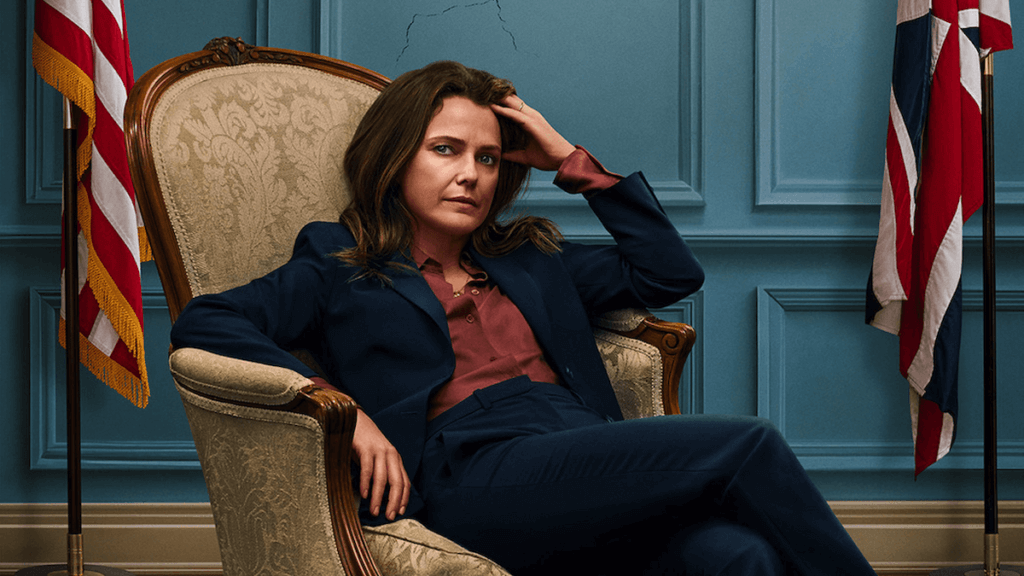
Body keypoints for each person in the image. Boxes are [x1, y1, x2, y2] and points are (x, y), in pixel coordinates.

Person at [171, 60, 875, 575]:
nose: (470, 173)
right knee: (747, 444)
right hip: (469, 471)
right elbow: (208, 320)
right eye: (445, 150)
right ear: (395, 159)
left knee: (740, 558)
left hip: (577, 455)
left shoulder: (531, 259)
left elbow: (668, 272)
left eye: (486, 156)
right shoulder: (339, 261)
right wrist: (345, 410)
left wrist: (569, 160)